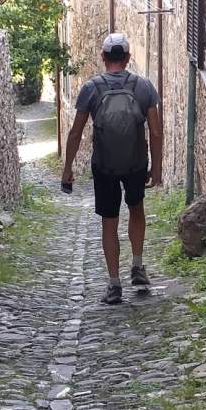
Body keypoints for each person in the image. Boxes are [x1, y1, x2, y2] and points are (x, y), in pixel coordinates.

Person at [61, 33, 162, 305]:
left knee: (109, 221)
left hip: (104, 165)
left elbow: (75, 133)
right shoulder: (143, 87)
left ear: (103, 57)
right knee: (136, 209)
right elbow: (155, 131)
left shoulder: (91, 88)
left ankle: (114, 284)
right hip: (136, 163)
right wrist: (157, 168)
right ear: (128, 58)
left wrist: (68, 168)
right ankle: (137, 266)